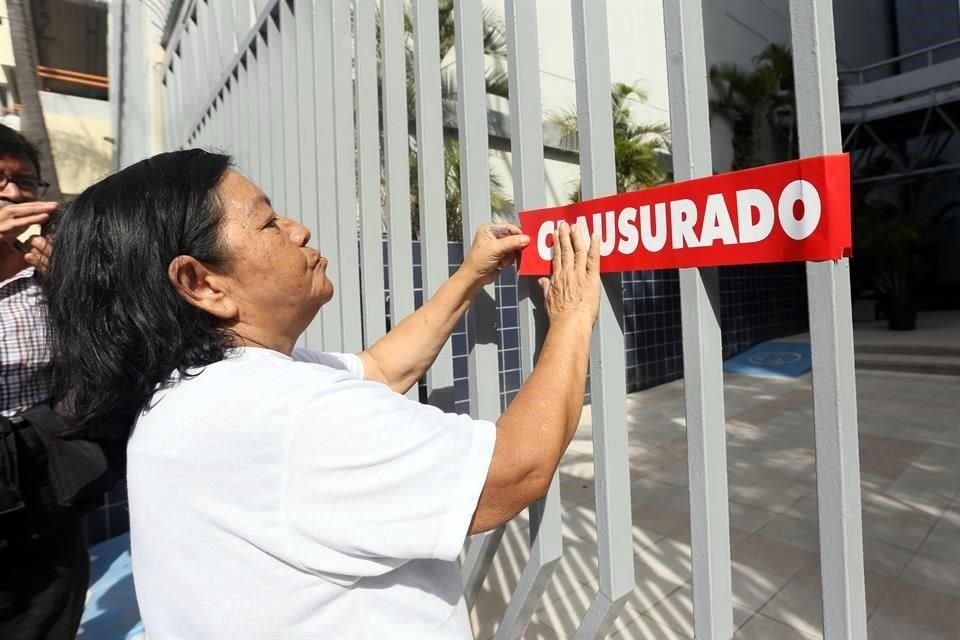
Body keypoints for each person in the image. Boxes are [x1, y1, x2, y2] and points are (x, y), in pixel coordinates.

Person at [43, 149, 600, 639]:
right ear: (202, 283)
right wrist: (573, 317)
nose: (299, 228)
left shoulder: (203, 387)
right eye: (267, 223)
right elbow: (512, 472)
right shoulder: (283, 413)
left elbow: (381, 367)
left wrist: (467, 278)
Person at [0, 124, 89, 640]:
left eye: (24, 182)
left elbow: (109, 354)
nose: (13, 194)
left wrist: (76, 287)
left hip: (46, 491)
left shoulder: (52, 271)